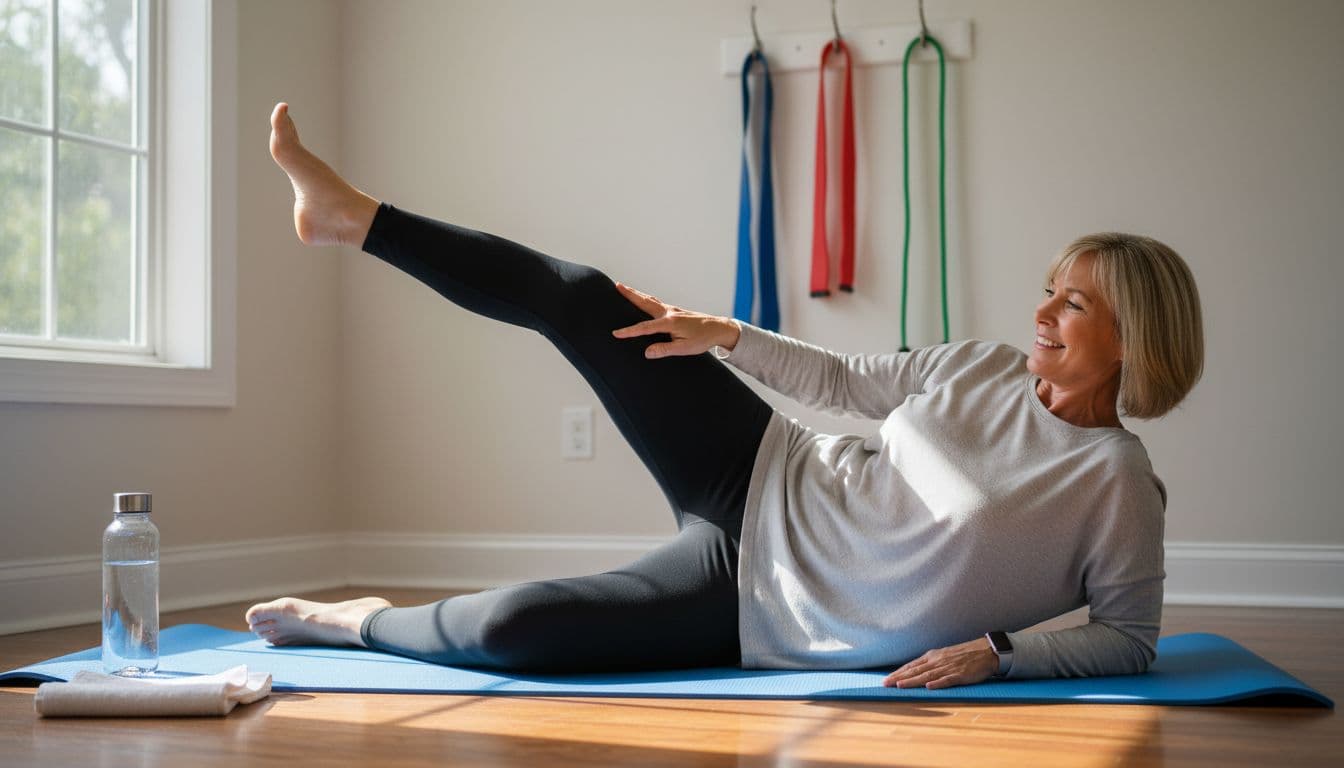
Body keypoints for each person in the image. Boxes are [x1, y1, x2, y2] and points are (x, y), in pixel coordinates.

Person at [246, 103, 1204, 689]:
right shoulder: (986, 366)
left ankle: (354, 619)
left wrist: (1003, 653)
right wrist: (727, 336)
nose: (1043, 313)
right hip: (762, 468)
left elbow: (1129, 638)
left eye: (1073, 303)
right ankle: (349, 216)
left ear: (1135, 340)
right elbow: (842, 382)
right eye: (1048, 288)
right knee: (590, 300)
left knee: (511, 631)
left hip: (761, 607)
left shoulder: (1116, 483)